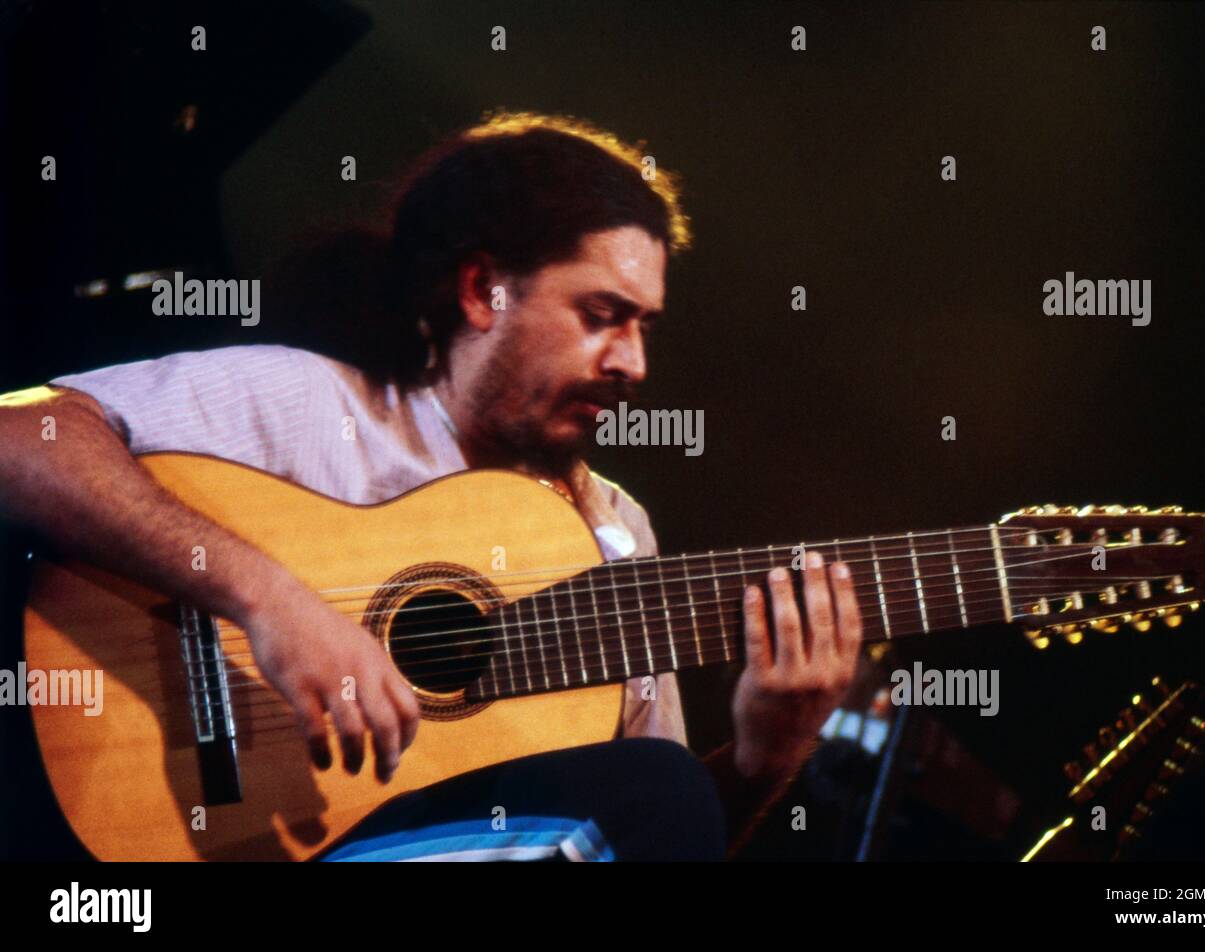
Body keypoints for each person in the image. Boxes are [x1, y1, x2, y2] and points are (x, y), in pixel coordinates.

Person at [0, 111, 864, 860]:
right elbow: (17, 437)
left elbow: (637, 838)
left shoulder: (616, 533)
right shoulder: (315, 404)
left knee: (663, 791)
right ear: (484, 290)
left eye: (645, 328)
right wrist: (273, 602)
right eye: (601, 316)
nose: (633, 363)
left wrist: (765, 759)